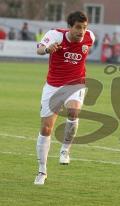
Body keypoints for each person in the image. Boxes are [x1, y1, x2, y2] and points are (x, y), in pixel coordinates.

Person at [34, 11, 95, 185]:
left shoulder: (90, 37)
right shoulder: (55, 35)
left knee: (74, 111)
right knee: (46, 129)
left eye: (84, 27)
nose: (81, 31)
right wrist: (47, 49)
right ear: (69, 27)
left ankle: (65, 150)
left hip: (75, 84)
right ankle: (42, 170)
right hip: (52, 86)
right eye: (78, 27)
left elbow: (86, 46)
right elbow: (39, 49)